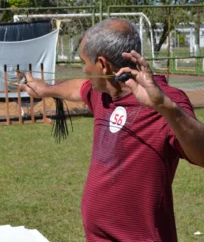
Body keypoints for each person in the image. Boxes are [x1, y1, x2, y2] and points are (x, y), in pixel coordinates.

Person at [21, 18, 204, 241]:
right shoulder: (103, 92)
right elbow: (78, 87)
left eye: (84, 62)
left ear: (102, 64)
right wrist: (46, 90)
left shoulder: (167, 100)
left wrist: (165, 107)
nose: (83, 69)